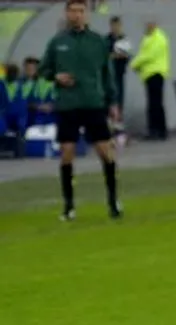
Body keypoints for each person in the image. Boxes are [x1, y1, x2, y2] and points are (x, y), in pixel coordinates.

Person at [38, 0, 121, 221]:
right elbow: (44, 69)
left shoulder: (98, 42)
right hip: (67, 105)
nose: (77, 15)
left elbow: (107, 73)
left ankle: (113, 202)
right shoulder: (57, 42)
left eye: (81, 11)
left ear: (87, 14)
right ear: (67, 14)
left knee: (105, 152)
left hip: (93, 103)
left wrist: (112, 102)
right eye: (73, 11)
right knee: (67, 153)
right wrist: (56, 76)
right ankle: (69, 206)